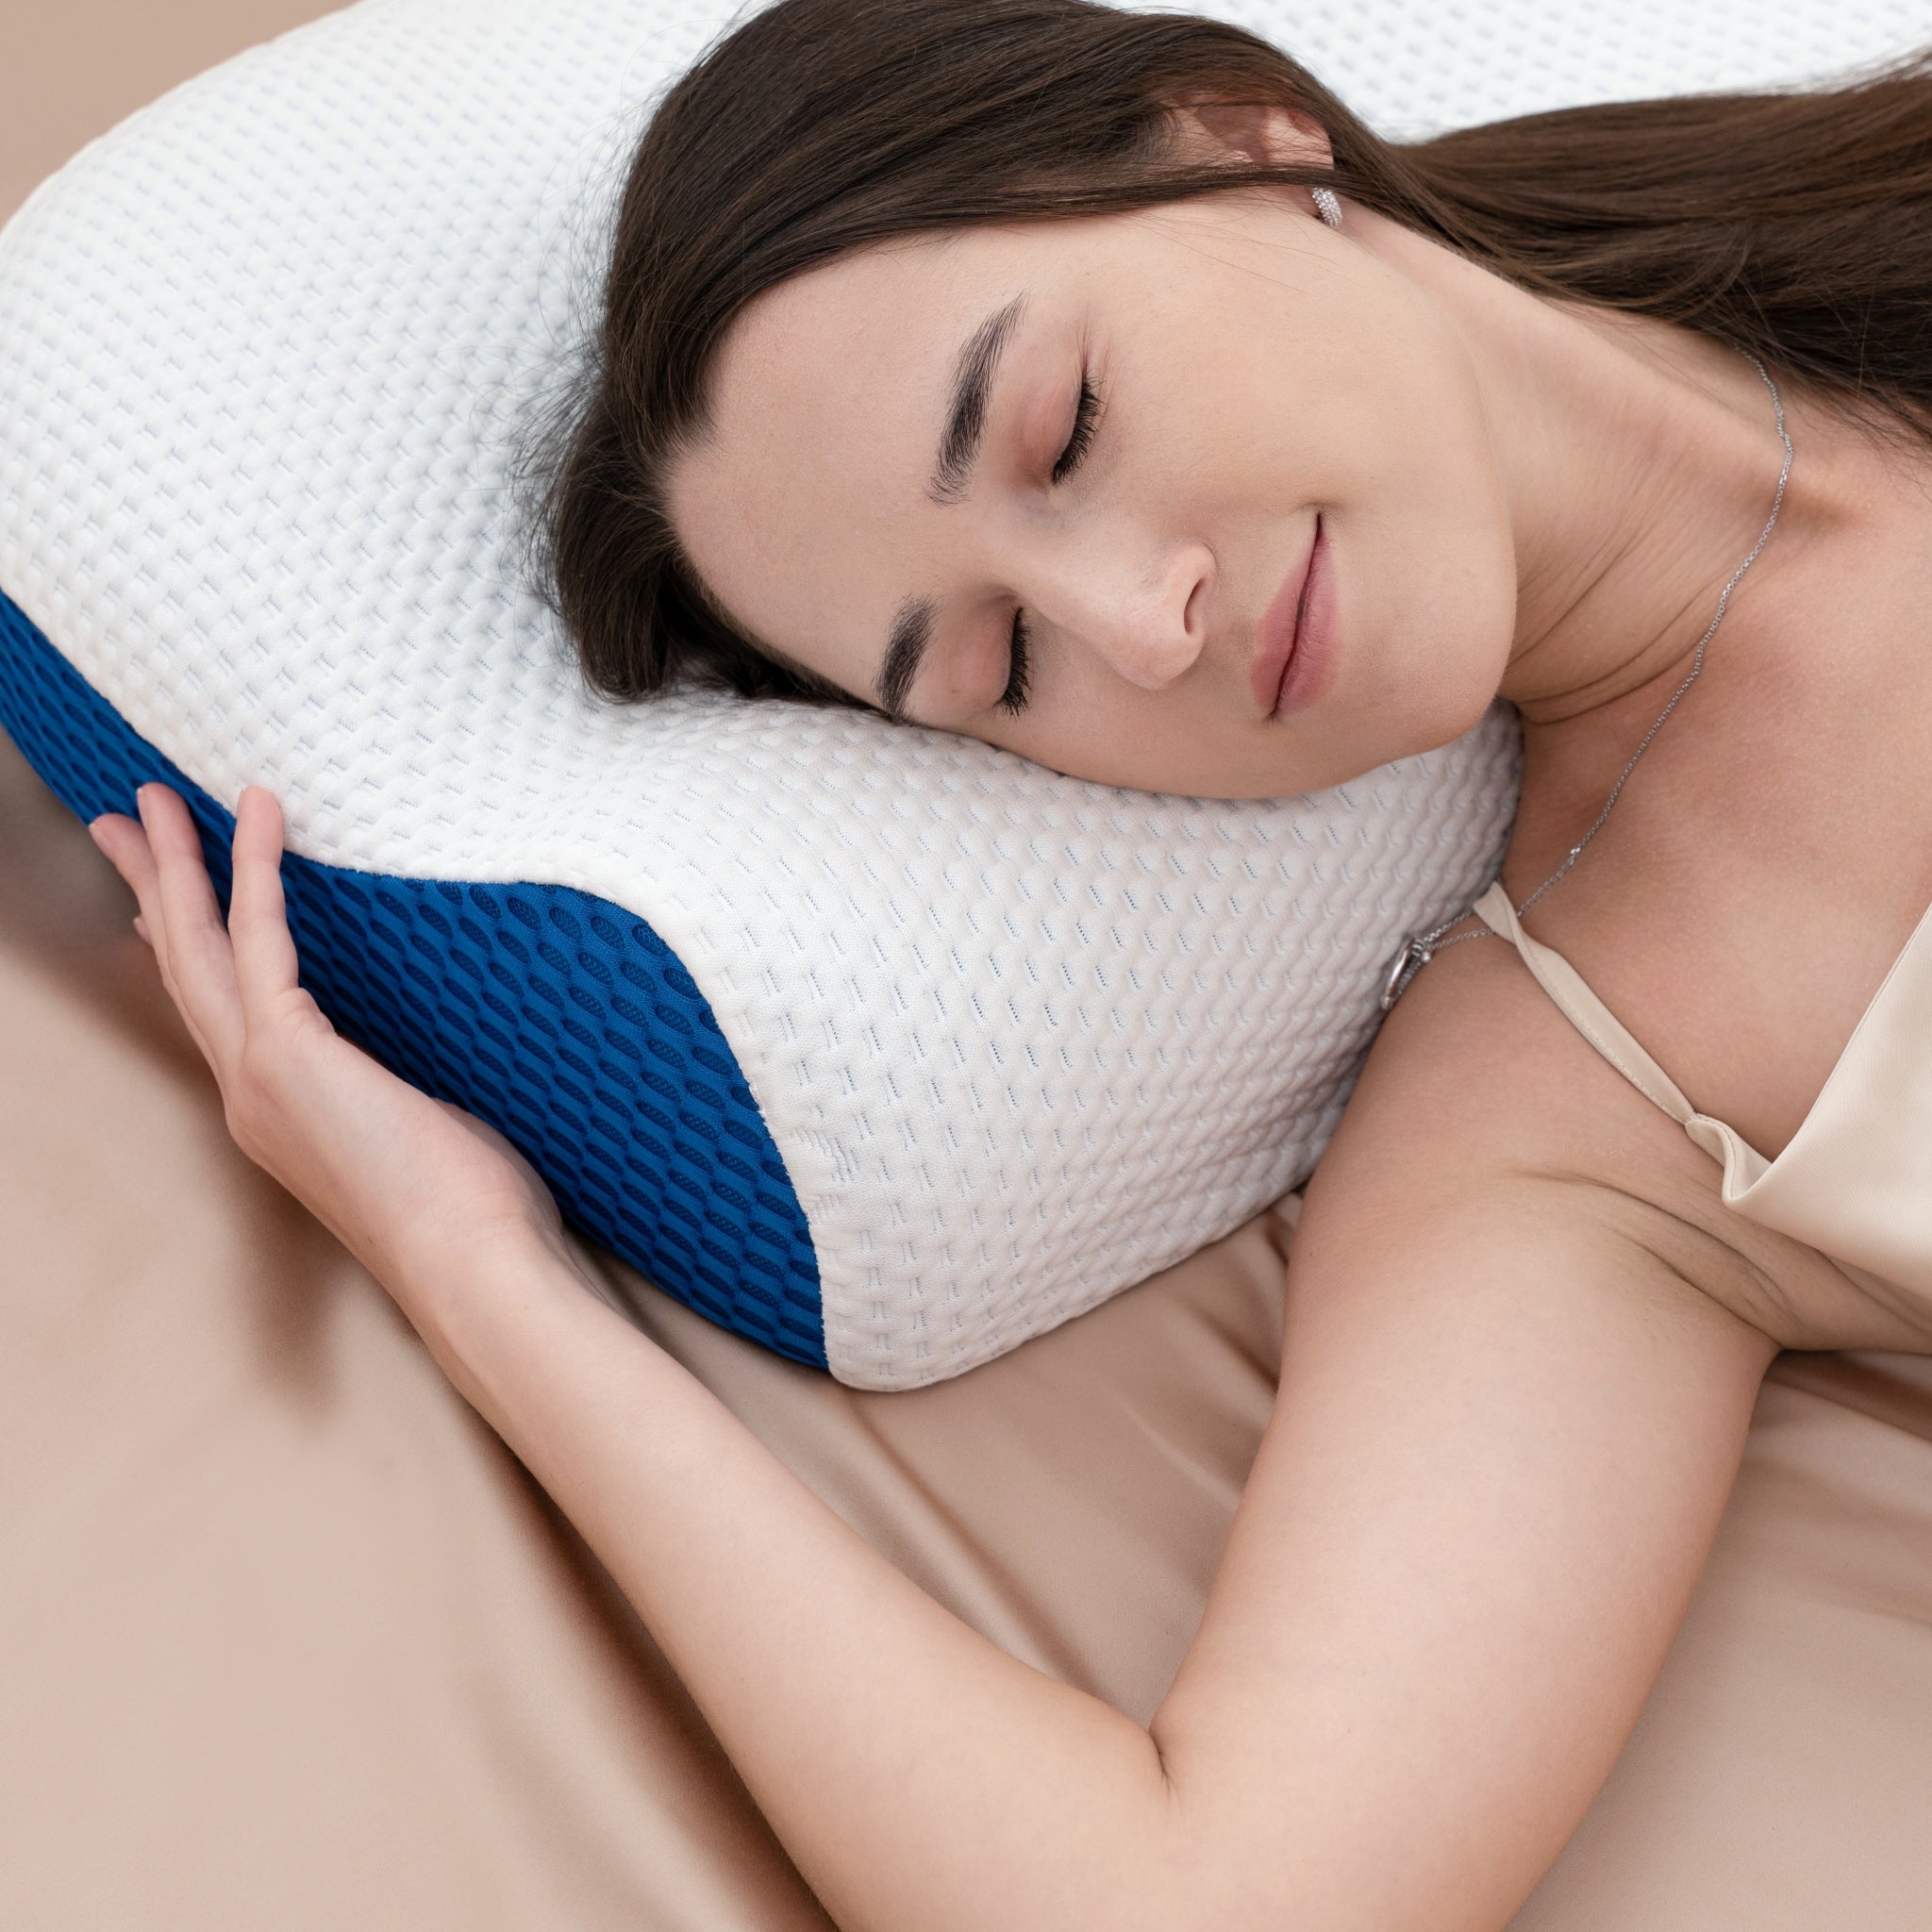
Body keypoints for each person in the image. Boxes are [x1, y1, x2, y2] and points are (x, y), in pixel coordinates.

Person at [85, 0, 1932, 1924]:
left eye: (1065, 429)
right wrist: (481, 1277)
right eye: (997, 671)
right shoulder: (1573, 1116)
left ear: (1237, 132)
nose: (1141, 628)